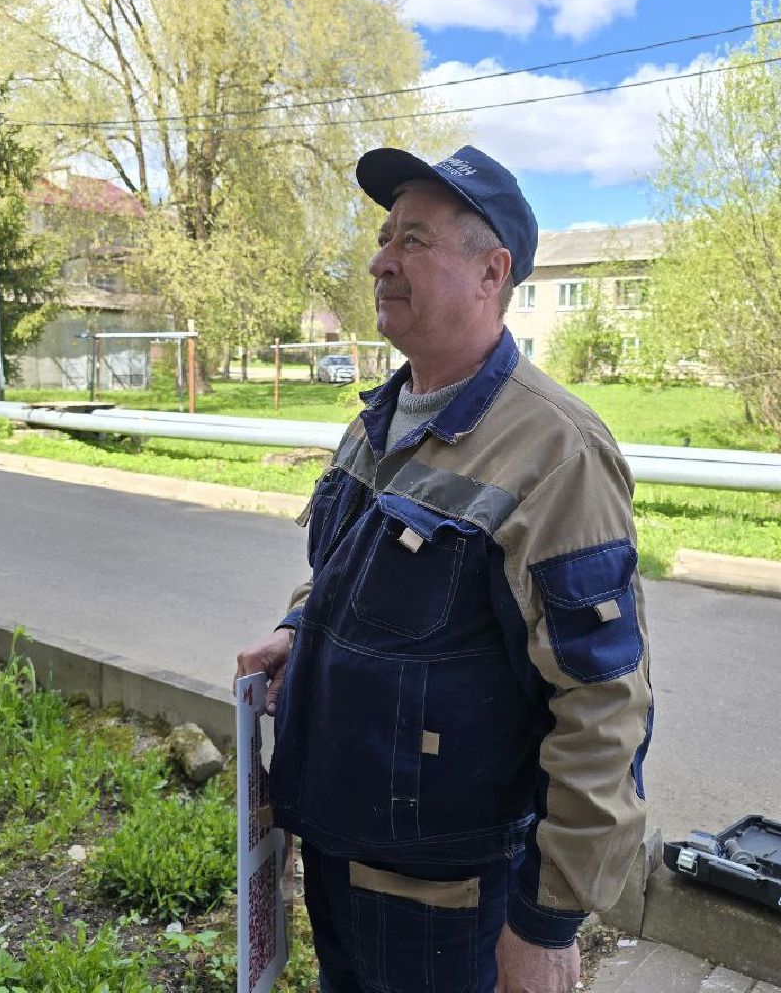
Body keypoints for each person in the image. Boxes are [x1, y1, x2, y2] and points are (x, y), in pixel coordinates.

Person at [236, 145, 653, 993]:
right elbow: (349, 577)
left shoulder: (554, 453)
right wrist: (297, 630)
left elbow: (603, 706)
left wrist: (545, 922)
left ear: (491, 271)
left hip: (448, 904)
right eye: (386, 237)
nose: (379, 259)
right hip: (343, 858)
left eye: (414, 241)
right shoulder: (383, 414)